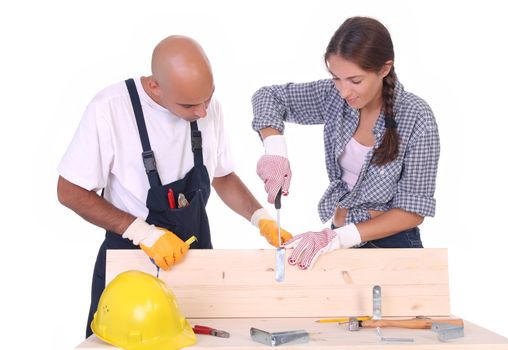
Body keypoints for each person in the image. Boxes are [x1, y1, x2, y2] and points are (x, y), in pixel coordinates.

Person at [57, 35, 292, 338]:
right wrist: (144, 234)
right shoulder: (110, 109)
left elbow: (221, 176)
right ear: (155, 86)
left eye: (208, 98)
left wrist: (261, 219)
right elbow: (69, 190)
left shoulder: (207, 107)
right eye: (189, 104)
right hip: (132, 267)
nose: (203, 112)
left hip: (195, 263)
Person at [252, 17, 440, 270]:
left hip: (392, 246)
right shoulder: (334, 98)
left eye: (355, 80)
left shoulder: (416, 116)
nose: (343, 91)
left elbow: (413, 210)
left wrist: (339, 238)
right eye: (336, 78)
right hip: (338, 241)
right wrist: (275, 149)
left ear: (384, 69)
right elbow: (269, 96)